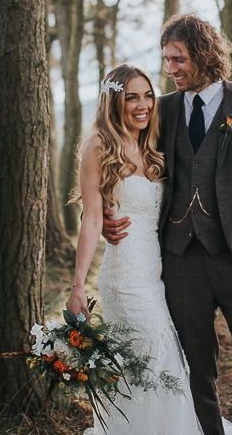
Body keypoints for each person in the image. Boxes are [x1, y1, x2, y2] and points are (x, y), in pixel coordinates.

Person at [104, 15, 232, 435]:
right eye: (166, 60)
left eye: (178, 59)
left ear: (204, 54)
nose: (171, 69)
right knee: (195, 369)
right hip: (181, 258)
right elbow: (122, 166)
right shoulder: (161, 110)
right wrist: (98, 217)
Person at [66, 64, 204, 435]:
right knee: (146, 362)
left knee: (158, 362)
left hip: (156, 274)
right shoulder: (98, 146)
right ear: (114, 101)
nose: (143, 105)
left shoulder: (151, 142)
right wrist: (78, 285)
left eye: (147, 96)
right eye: (132, 98)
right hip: (125, 277)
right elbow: (92, 219)